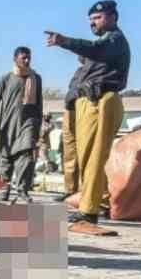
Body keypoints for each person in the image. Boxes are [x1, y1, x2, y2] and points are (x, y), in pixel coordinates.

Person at [45, 0, 130, 235]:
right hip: (87, 103)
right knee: (87, 158)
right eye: (91, 19)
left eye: (98, 18)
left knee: (93, 157)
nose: (93, 23)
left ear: (113, 17)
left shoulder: (114, 39)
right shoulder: (102, 48)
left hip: (101, 101)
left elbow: (94, 49)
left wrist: (64, 41)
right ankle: (99, 202)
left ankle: (88, 213)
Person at [0, 47, 43, 203]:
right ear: (15, 59)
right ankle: (3, 188)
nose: (27, 61)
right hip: (7, 126)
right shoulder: (6, 79)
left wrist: (38, 126)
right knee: (4, 160)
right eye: (24, 58)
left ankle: (22, 189)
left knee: (26, 156)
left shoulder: (36, 79)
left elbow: (39, 104)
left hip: (28, 124)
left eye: (29, 58)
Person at [55, 61, 85, 202]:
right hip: (70, 111)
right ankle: (70, 190)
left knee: (85, 153)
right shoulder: (79, 70)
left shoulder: (97, 69)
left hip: (83, 110)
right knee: (69, 153)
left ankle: (86, 192)